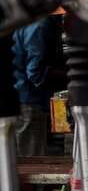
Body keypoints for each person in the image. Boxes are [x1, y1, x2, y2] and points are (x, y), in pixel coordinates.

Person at [11, 18, 51, 156]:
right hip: (27, 102)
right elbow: (34, 72)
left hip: (12, 100)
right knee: (32, 160)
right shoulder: (36, 25)